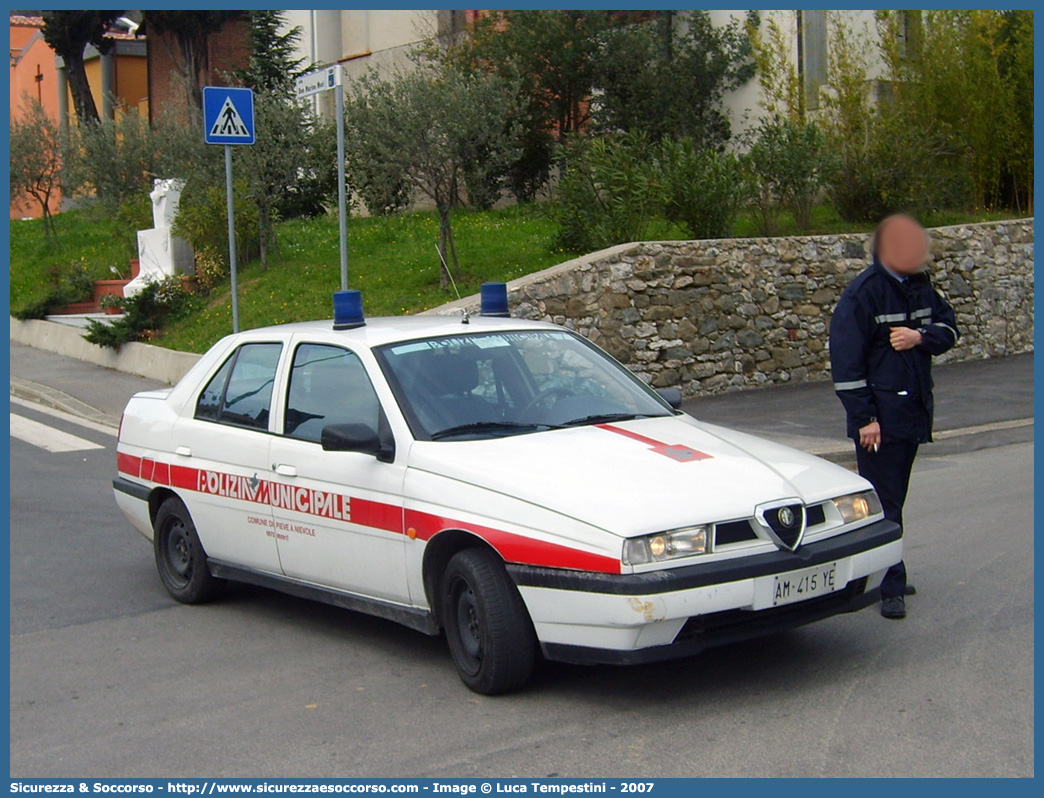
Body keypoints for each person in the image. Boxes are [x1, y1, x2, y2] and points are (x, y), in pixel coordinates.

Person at [829, 214, 959, 619]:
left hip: (913, 412)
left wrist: (920, 337)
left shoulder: (920, 287)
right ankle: (889, 585)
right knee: (884, 503)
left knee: (894, 499)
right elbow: (846, 366)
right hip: (880, 420)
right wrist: (866, 418)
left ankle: (882, 573)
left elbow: (950, 330)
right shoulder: (862, 295)